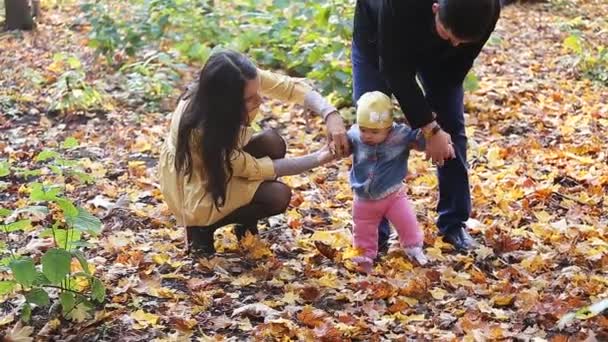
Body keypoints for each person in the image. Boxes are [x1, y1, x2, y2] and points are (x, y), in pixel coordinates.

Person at [158, 49, 347, 255]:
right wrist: (320, 158)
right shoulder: (200, 129)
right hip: (195, 187)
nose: (258, 100)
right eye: (249, 98)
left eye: (258, 91)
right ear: (225, 103)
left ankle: (244, 221)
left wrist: (331, 115)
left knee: (272, 142)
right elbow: (254, 168)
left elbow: (290, 87)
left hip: (221, 163)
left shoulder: (240, 78)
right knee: (277, 195)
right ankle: (201, 228)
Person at [351, 0, 500, 251]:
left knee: (451, 127)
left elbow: (453, 72)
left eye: (461, 40)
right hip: (379, 38)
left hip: (441, 59)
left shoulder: (487, 9)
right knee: (373, 128)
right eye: (449, 34)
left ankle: (454, 224)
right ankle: (374, 235)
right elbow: (395, 70)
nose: (455, 43)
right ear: (435, 8)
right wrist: (428, 127)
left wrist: (437, 127)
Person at [348, 91, 428, 273]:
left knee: (406, 222)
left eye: (374, 131)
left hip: (393, 194)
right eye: (363, 129)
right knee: (362, 229)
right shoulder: (354, 135)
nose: (367, 135)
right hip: (363, 197)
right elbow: (343, 145)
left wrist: (429, 133)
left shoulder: (400, 135)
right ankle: (364, 257)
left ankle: (414, 249)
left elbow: (421, 141)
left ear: (389, 127)